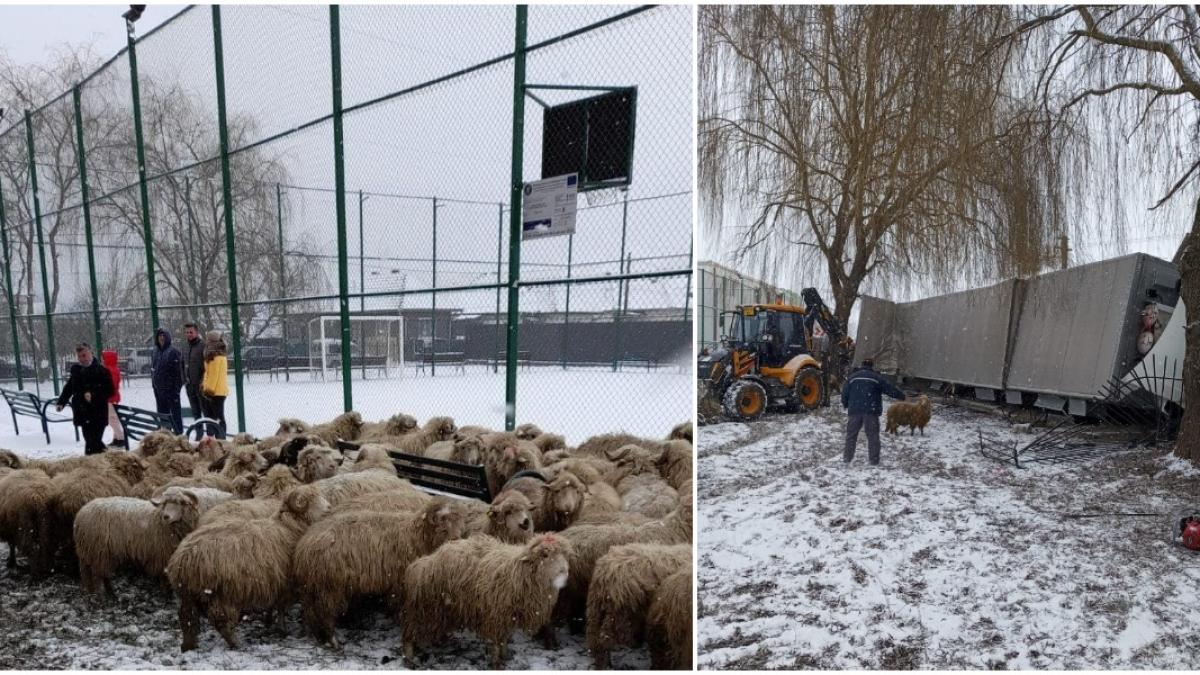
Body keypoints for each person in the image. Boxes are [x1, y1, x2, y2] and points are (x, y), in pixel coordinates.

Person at [840, 358, 905, 466]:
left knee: (851, 435)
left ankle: (847, 458)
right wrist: (902, 396)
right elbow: (890, 389)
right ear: (871, 366)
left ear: (862, 365)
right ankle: (874, 460)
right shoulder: (876, 378)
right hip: (871, 411)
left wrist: (845, 403)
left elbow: (845, 392)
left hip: (855, 411)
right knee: (873, 436)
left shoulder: (852, 378)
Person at [55, 343, 114, 455]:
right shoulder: (76, 371)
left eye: (84, 355)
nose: (82, 359)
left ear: (90, 353)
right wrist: (61, 402)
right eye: (79, 356)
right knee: (91, 442)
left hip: (98, 413)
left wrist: (94, 395)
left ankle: (96, 463)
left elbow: (110, 390)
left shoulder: (102, 371)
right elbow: (69, 387)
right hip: (82, 413)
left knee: (93, 443)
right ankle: (107, 460)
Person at [150, 327, 184, 434]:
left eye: (164, 335)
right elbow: (153, 369)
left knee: (175, 415)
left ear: (168, 337)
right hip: (159, 390)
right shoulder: (155, 352)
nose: (161, 338)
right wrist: (154, 386)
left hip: (171, 391)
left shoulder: (174, 352)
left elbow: (179, 374)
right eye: (160, 335)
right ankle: (165, 436)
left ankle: (178, 435)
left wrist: (176, 390)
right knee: (163, 415)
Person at [200, 330, 229, 439]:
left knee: (218, 417)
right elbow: (209, 374)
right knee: (215, 417)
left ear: (212, 341)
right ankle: (217, 438)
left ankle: (221, 439)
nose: (206, 341)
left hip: (216, 392)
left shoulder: (216, 357)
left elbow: (214, 375)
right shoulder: (215, 354)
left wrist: (207, 390)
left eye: (207, 339)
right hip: (216, 391)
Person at [100, 348, 126, 449]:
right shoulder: (111, 369)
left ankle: (121, 438)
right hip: (111, 398)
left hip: (110, 398)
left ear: (108, 359)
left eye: (103, 358)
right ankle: (117, 439)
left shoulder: (111, 370)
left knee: (112, 419)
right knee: (113, 419)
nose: (102, 360)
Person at [181, 322, 206, 421]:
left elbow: (207, 367)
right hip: (189, 386)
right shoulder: (185, 346)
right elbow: (182, 364)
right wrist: (184, 380)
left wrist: (202, 382)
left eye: (191, 332)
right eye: (187, 332)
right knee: (195, 413)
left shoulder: (203, 346)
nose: (189, 334)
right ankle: (199, 434)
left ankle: (210, 435)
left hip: (201, 387)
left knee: (206, 413)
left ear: (196, 332)